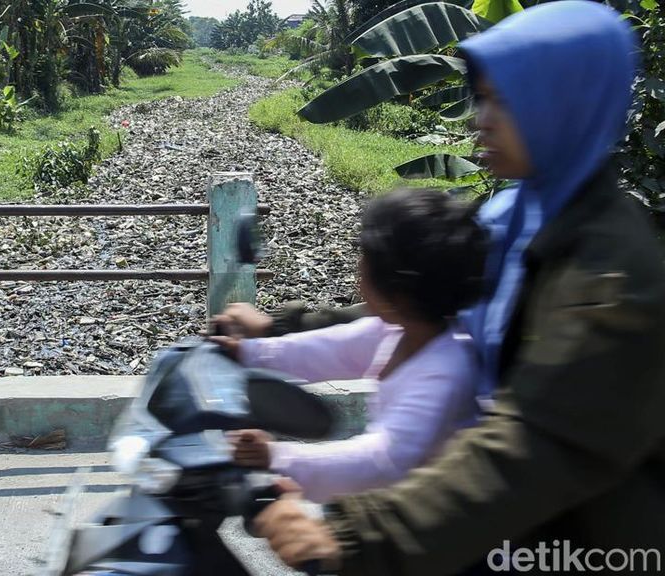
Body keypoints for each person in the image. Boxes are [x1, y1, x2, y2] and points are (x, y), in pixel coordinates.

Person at [249, 3, 665, 574]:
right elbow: (419, 300)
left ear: (565, 105)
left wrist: (354, 537)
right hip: (487, 508)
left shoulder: (609, 266)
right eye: (481, 97)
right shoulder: (514, 212)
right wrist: (277, 328)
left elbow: (537, 444)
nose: (480, 119)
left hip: (578, 539)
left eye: (505, 102)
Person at [212, 189, 486, 504]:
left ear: (397, 289)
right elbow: (328, 349)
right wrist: (244, 352)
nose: (359, 266)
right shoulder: (400, 330)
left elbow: (381, 461)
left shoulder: (445, 371)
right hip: (391, 509)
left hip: (425, 524)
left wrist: (275, 456)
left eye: (367, 258)